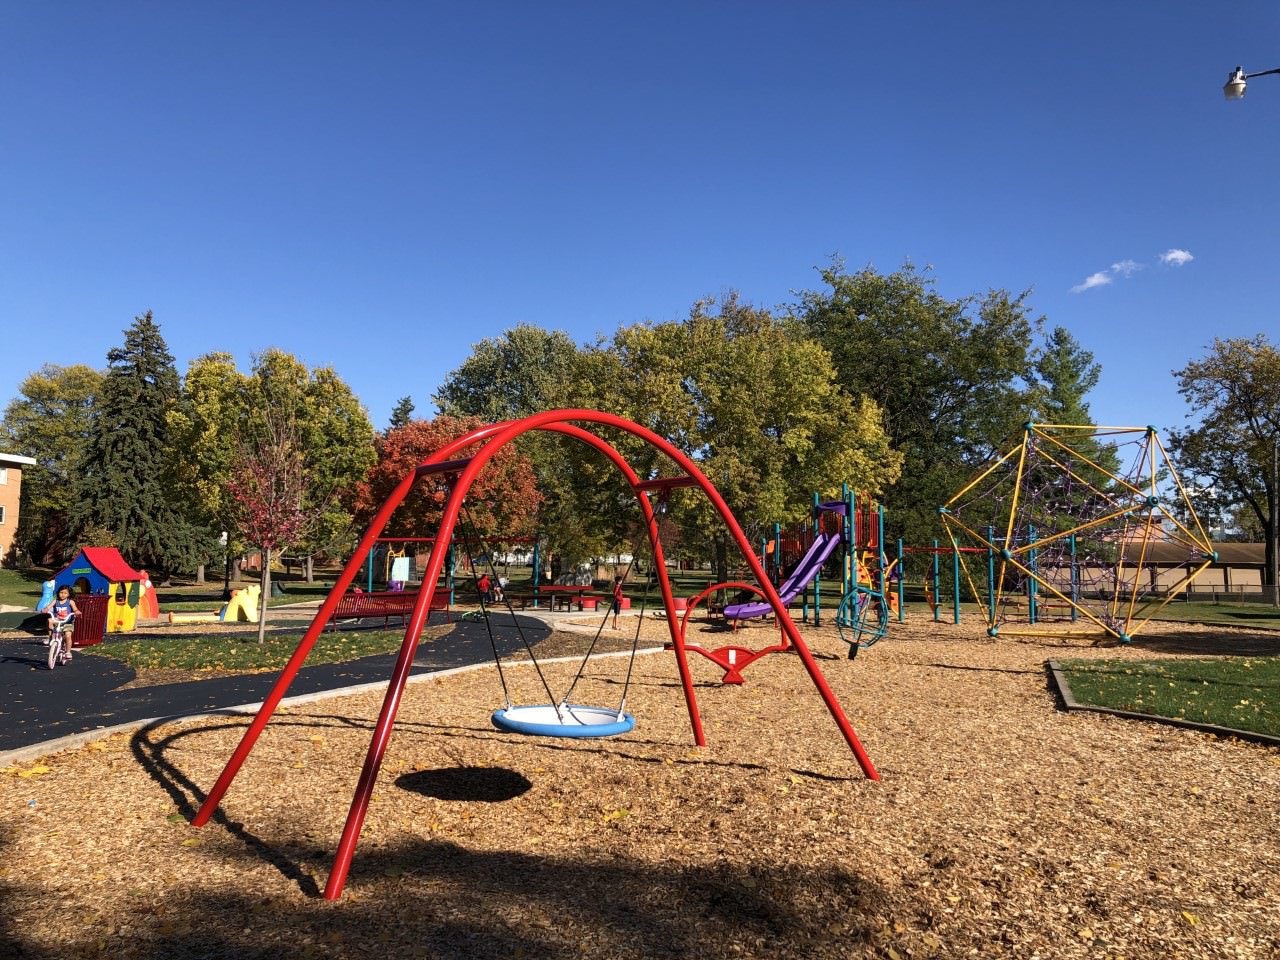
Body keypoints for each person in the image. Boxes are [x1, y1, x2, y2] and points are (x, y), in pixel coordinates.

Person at [41, 585, 80, 661]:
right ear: (58, 593)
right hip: (57, 620)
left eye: (65, 593)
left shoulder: (70, 602)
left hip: (67, 622)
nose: (63, 594)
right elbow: (48, 607)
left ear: (69, 594)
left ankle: (68, 652)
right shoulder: (55, 601)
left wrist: (76, 612)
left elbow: (75, 609)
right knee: (49, 620)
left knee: (68, 636)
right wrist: (45, 609)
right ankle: (51, 637)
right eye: (61, 592)